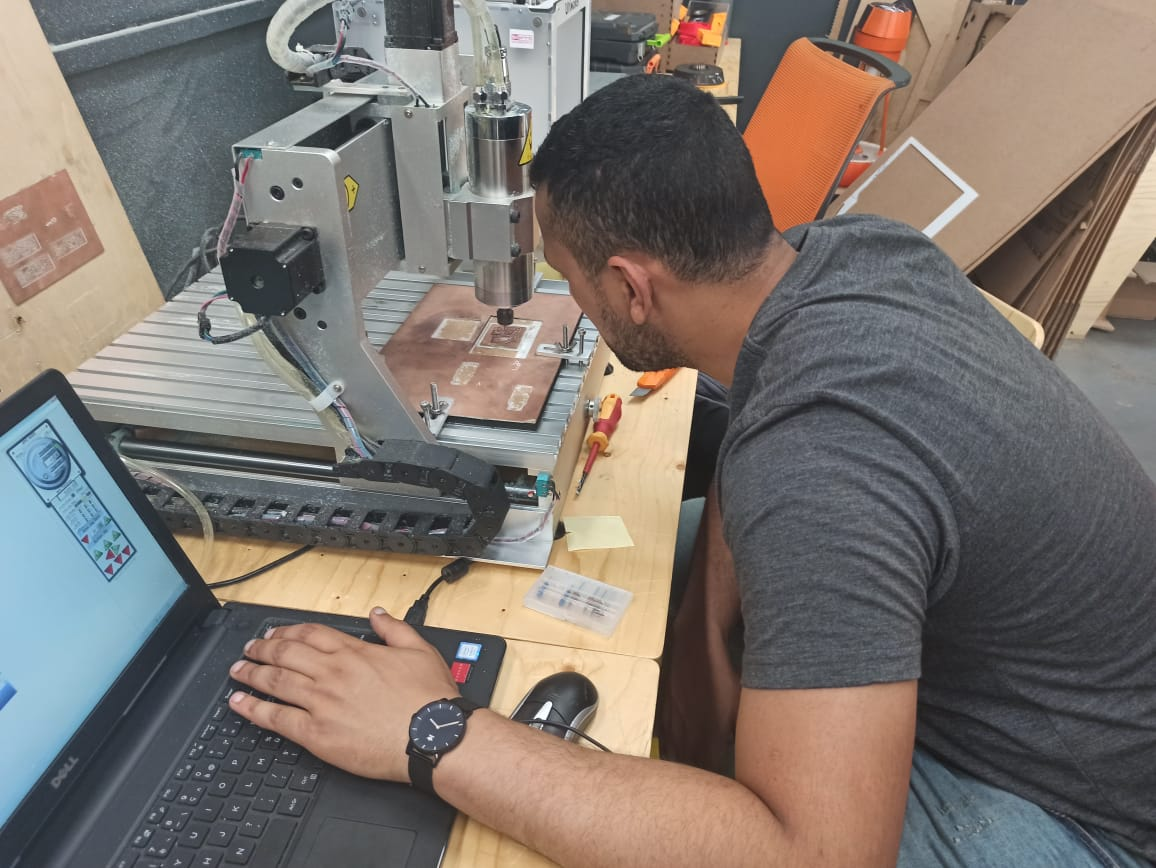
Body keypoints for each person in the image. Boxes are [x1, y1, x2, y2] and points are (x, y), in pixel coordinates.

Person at [225, 75, 1156, 866]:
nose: (572, 303)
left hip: (1079, 811)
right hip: (1039, 690)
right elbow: (769, 447)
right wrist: (705, 632)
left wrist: (436, 734)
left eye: (571, 280)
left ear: (632, 287)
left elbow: (817, 856)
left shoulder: (820, 468)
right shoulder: (858, 251)